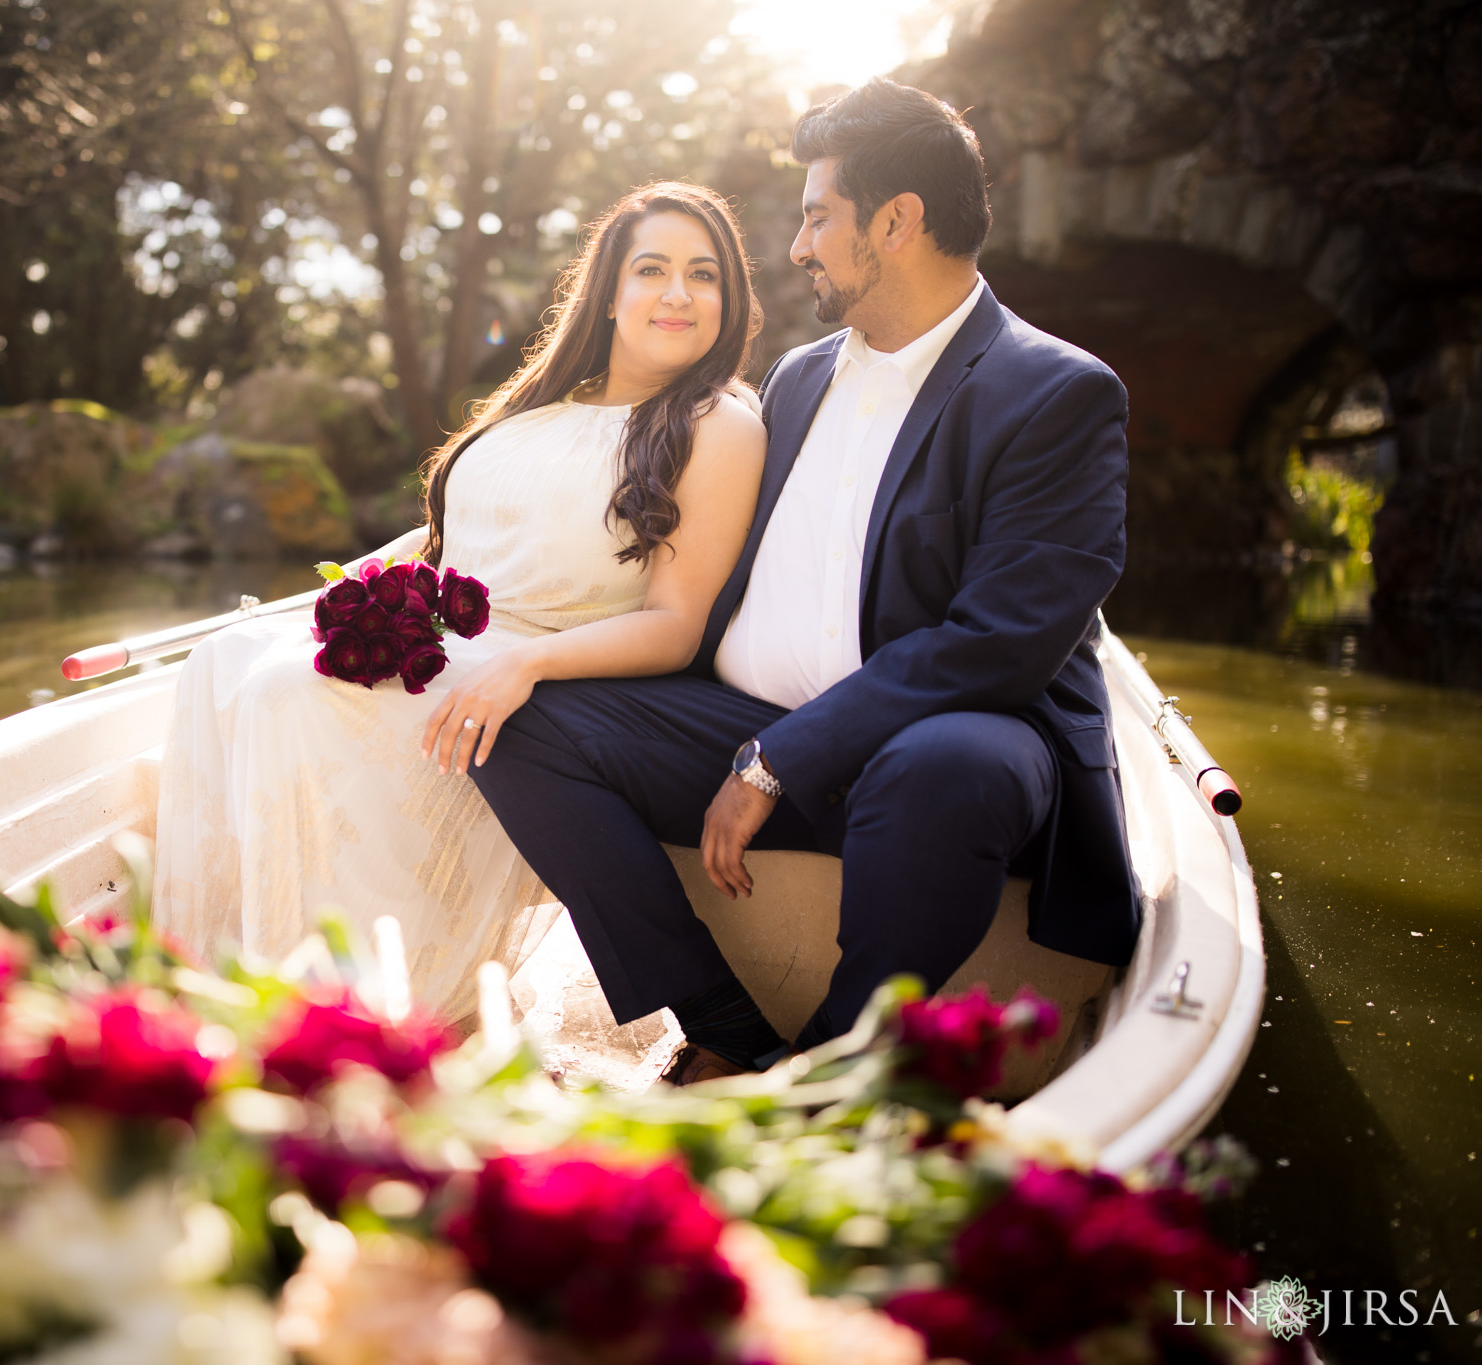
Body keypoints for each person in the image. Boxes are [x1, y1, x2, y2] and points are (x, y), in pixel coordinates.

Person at [468, 79, 1143, 1083]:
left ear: (896, 222)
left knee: (943, 767)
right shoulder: (797, 378)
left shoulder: (1053, 393)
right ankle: (721, 1028)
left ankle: (829, 1078)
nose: (795, 248)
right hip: (739, 728)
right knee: (518, 718)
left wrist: (776, 759)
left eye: (816, 217)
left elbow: (998, 644)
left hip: (936, 752)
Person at [152, 181, 767, 1019]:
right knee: (221, 657)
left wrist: (528, 664)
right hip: (449, 629)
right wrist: (340, 591)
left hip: (552, 670)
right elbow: (445, 538)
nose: (677, 293)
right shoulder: (544, 402)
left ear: (727, 299)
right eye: (651, 269)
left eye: (703, 275)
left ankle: (346, 1010)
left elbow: (675, 624)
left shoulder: (715, 422)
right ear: (610, 293)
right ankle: (218, 985)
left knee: (285, 692)